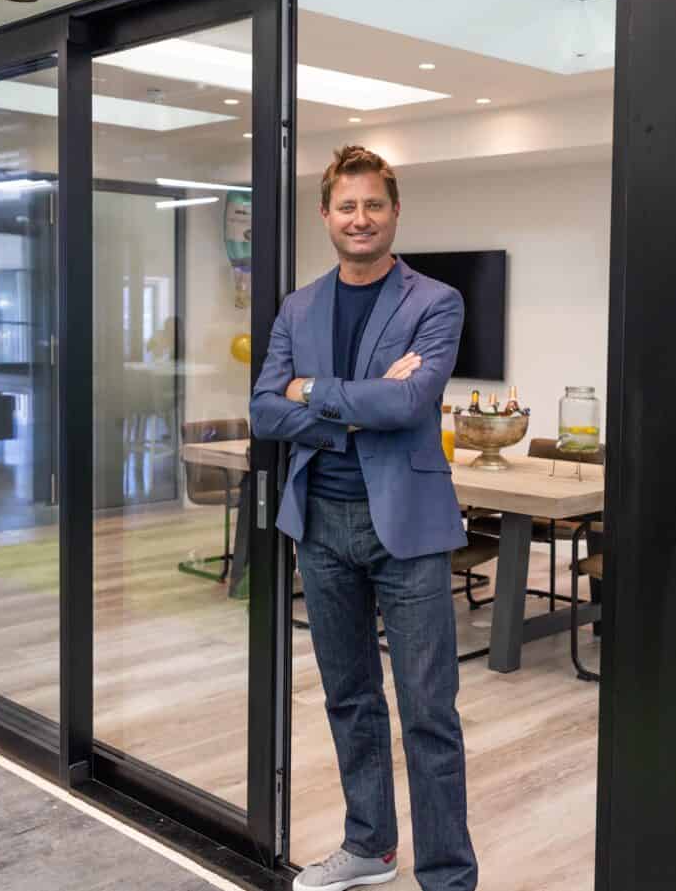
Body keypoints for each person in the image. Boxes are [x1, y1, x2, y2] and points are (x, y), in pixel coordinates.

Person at [251, 146, 475, 891]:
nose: (360, 218)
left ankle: (447, 876)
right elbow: (262, 409)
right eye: (346, 206)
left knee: (427, 711)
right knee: (349, 697)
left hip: (405, 527)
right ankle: (369, 846)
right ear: (325, 215)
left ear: (394, 211)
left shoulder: (435, 301)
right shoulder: (298, 305)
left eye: (373, 204)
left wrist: (310, 389)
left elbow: (410, 403)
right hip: (319, 521)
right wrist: (352, 406)